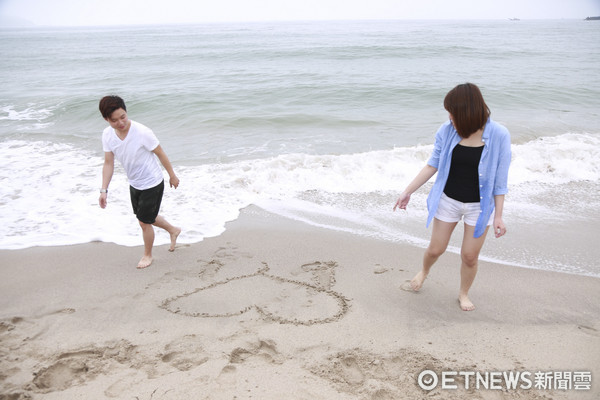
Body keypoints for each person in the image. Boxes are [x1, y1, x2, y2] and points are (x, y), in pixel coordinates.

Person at [393, 83, 511, 311]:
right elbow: (432, 164)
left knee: (469, 256)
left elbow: (500, 180)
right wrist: (407, 191)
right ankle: (424, 270)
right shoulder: (447, 130)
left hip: (480, 206)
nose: (449, 117)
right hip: (448, 200)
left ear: (466, 112)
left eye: (452, 112)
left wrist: (498, 216)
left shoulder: (498, 135)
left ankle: (463, 293)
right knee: (435, 249)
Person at [98, 95, 181, 269]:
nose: (121, 123)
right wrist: (104, 190)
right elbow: (108, 163)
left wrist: (172, 175)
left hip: (152, 182)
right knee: (145, 217)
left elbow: (160, 153)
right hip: (134, 183)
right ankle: (173, 230)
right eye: (115, 120)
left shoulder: (142, 132)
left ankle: (147, 255)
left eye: (123, 117)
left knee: (144, 221)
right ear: (106, 119)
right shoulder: (107, 135)